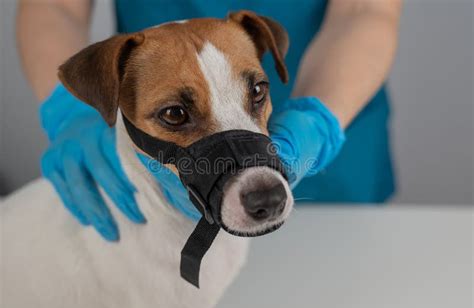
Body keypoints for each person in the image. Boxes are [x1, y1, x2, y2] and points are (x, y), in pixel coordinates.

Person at [17, 0, 402, 240]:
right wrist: (68, 110)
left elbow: (365, 9)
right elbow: (54, 5)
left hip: (339, 148)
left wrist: (316, 120)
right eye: (176, 115)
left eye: (256, 94)